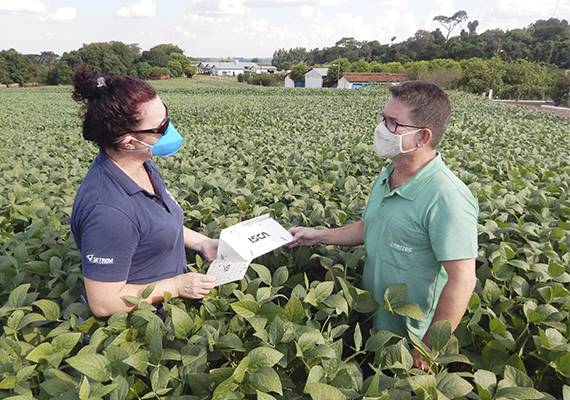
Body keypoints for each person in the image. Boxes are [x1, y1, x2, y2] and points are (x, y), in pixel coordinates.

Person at [288, 81, 478, 370]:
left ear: (422, 136)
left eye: (393, 122)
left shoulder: (446, 196)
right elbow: (373, 226)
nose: (381, 129)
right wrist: (318, 236)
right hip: (377, 321)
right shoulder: (389, 173)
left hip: (412, 340)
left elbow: (463, 279)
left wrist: (427, 349)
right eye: (383, 118)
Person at [70, 68, 217, 318]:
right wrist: (176, 286)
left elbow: (155, 224)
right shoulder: (107, 211)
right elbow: (104, 303)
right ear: (129, 142)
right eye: (161, 126)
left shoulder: (140, 164)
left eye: (167, 115)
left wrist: (202, 243)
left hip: (172, 303)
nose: (169, 129)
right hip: (143, 322)